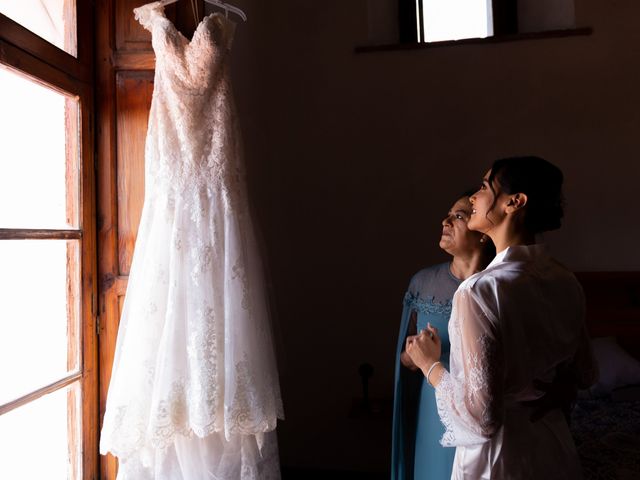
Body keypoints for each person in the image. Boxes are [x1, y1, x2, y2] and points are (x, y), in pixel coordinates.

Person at [406, 156, 597, 479]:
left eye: (483, 187)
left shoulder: (479, 292)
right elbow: (586, 373)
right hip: (551, 445)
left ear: (514, 202)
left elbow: (481, 420)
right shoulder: (564, 278)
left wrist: (430, 365)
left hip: (499, 460)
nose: (473, 199)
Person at [391, 194, 494, 480]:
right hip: (433, 407)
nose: (445, 222)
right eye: (447, 214)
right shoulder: (423, 282)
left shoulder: (498, 286)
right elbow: (405, 357)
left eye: (459, 216)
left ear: (482, 230)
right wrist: (417, 356)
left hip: (483, 409)